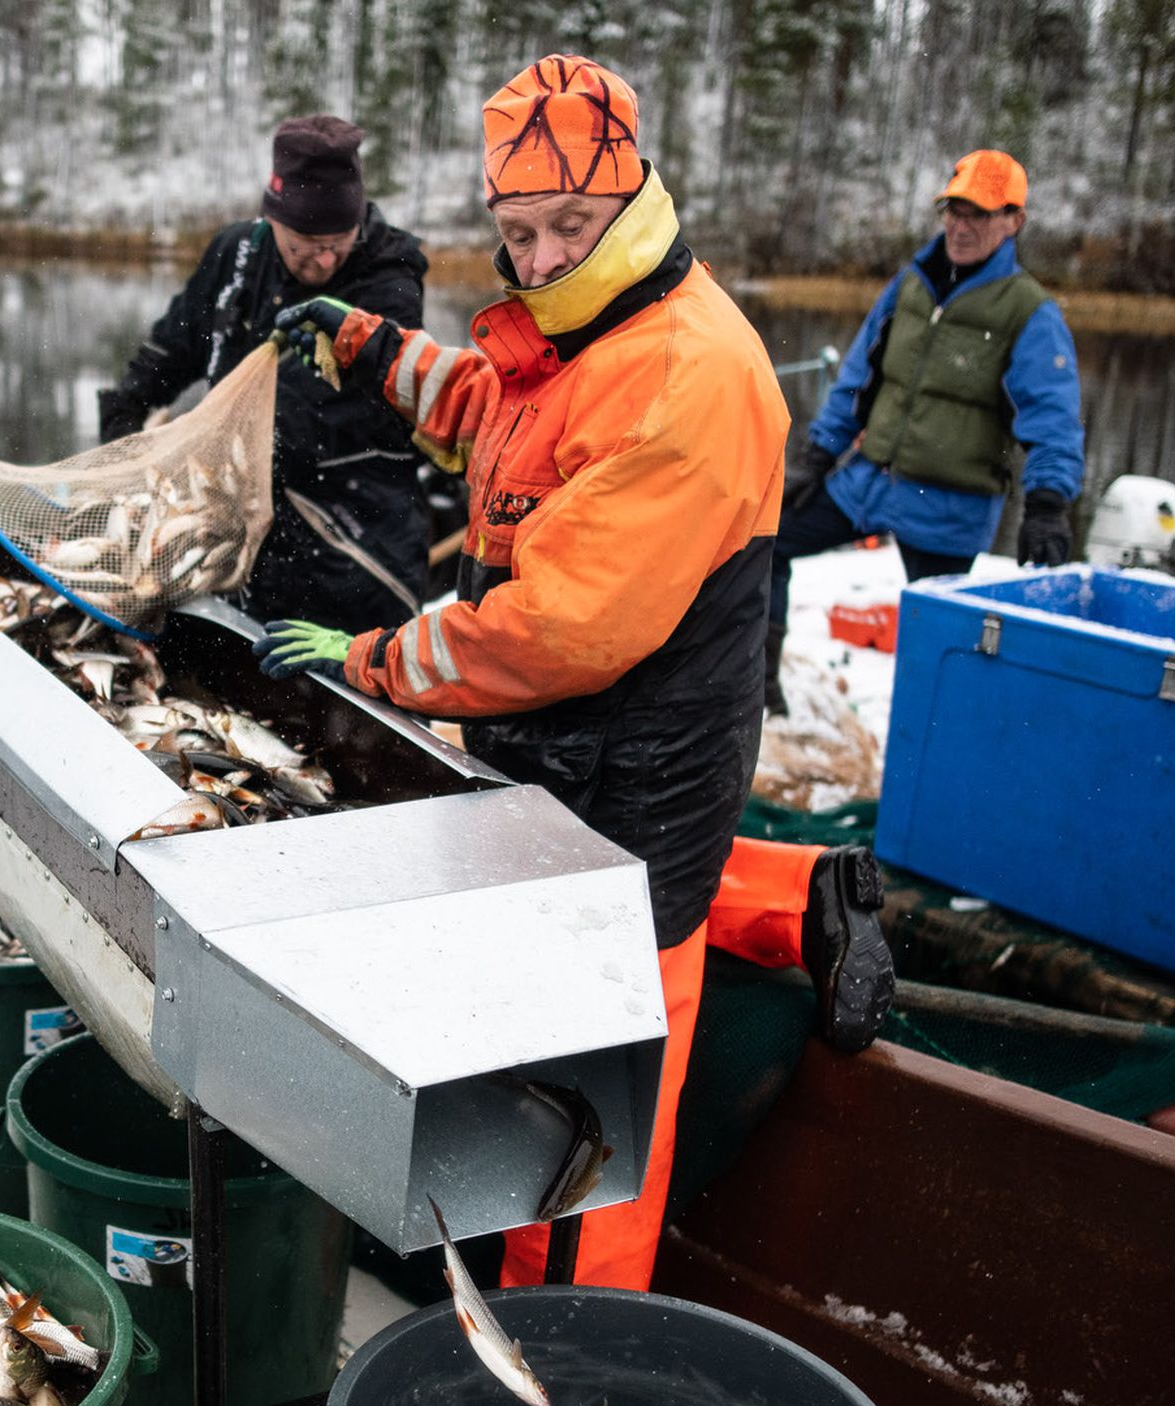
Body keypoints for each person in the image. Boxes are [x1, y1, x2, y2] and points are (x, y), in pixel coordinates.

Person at [257, 53, 893, 1294]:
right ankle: (805, 890)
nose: (539, 258)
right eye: (516, 232)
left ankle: (574, 1350)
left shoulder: (687, 374)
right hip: (549, 756)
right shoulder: (576, 327)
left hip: (639, 785)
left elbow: (556, 628)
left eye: (567, 228)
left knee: (598, 1122)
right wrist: (378, 350)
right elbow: (496, 419)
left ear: (630, 198)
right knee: (527, 1055)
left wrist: (371, 659)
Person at [765, 149, 1086, 711]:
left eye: (980, 215)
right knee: (764, 543)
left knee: (940, 640)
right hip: (868, 481)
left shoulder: (1030, 313)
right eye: (954, 211)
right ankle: (761, 695)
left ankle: (924, 747)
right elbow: (859, 376)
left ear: (1015, 222)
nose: (961, 227)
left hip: (948, 504)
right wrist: (818, 456)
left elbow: (1053, 417)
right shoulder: (910, 285)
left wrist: (1049, 502)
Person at [95, 115, 432, 634]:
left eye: (338, 241)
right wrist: (126, 410)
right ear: (272, 219)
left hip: (353, 550)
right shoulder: (237, 254)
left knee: (334, 699)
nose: (323, 259)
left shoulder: (390, 282)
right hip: (246, 544)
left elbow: (311, 413)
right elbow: (174, 346)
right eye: (304, 243)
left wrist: (193, 448)